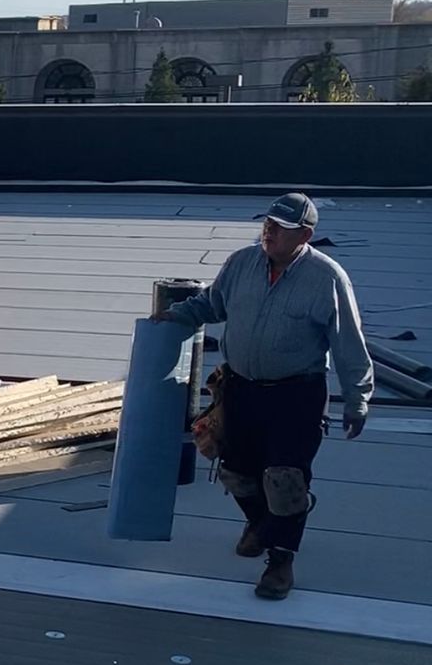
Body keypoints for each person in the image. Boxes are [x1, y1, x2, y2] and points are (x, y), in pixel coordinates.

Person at [154, 192, 373, 600]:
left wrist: (358, 399)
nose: (269, 232)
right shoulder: (242, 263)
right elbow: (212, 304)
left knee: (285, 479)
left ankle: (280, 560)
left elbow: (348, 342)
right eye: (267, 224)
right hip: (240, 389)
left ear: (304, 235)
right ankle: (260, 523)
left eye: (280, 228)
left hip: (296, 395)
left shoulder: (326, 278)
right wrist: (175, 315)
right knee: (235, 471)